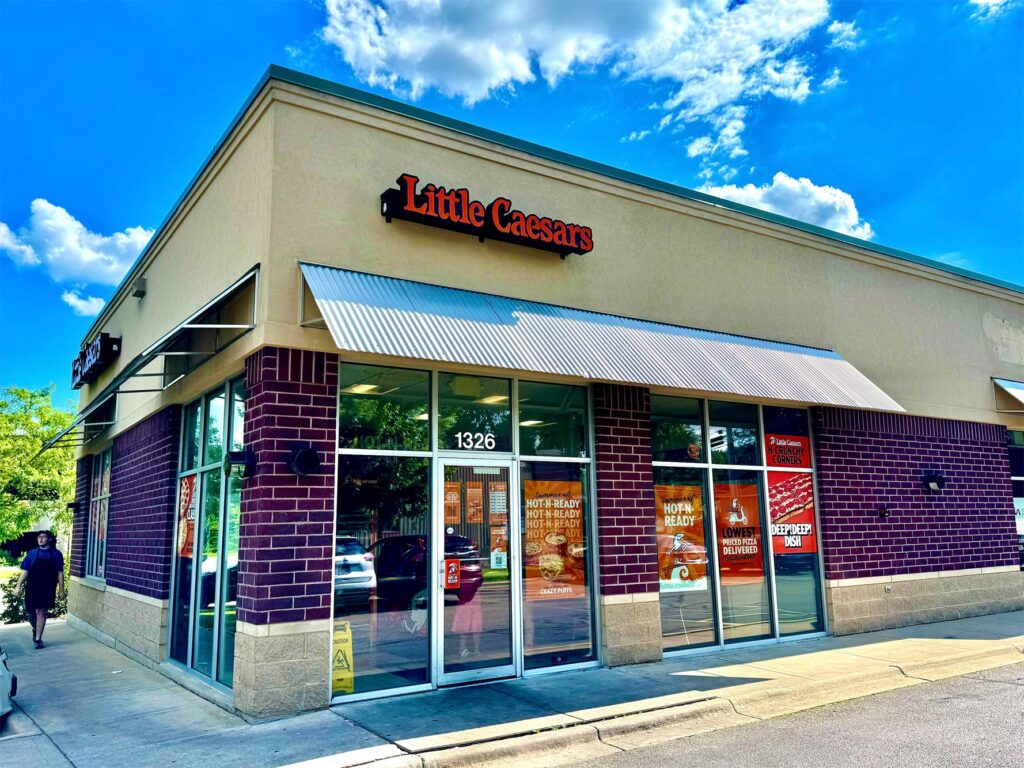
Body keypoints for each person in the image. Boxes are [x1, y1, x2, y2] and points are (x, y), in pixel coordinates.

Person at [14, 531, 65, 649]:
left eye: (43, 537)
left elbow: (59, 573)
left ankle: (38, 640)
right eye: (39, 537)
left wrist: (61, 590)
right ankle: (35, 628)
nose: (40, 539)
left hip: (48, 586)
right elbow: (25, 571)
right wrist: (18, 586)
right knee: (30, 610)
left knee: (41, 612)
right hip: (32, 586)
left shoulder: (56, 554)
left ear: (50, 539)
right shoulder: (32, 553)